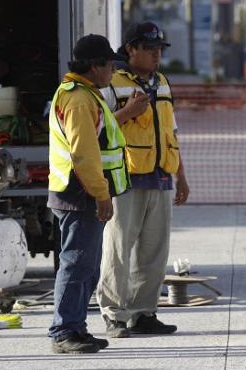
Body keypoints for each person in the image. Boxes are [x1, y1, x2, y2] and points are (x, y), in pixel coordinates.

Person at [47, 34, 141, 353]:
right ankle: (64, 331)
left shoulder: (87, 94)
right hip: (80, 193)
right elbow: (84, 154)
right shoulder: (78, 99)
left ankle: (75, 327)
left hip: (82, 192)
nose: (113, 72)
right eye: (109, 66)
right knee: (76, 263)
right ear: (93, 66)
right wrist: (101, 194)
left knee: (86, 264)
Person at [97, 21, 190, 338]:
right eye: (149, 49)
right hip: (125, 178)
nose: (155, 56)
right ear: (130, 50)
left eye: (159, 50)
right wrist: (129, 111)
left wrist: (182, 176)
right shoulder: (113, 83)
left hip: (161, 177)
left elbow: (171, 131)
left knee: (154, 252)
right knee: (118, 249)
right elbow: (100, 128)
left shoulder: (162, 83)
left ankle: (143, 313)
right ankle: (114, 314)